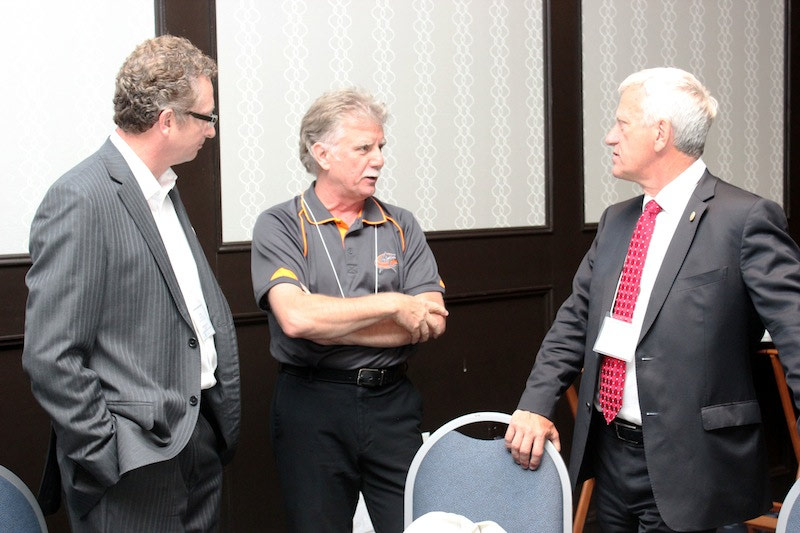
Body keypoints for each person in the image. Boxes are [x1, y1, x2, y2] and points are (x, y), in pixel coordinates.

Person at [505, 67, 800, 532]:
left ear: (661, 133)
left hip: (695, 466)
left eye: (622, 124)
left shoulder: (744, 219)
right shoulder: (616, 221)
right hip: (611, 456)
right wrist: (535, 403)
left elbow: (796, 334)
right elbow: (575, 320)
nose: (610, 136)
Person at [22, 35, 241, 532]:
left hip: (196, 440)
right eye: (207, 117)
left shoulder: (164, 190)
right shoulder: (81, 198)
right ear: (168, 121)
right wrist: (107, 451)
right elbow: (51, 355)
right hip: (134, 463)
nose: (212, 130)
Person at [251, 87, 448, 532]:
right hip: (311, 405)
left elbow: (432, 318)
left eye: (380, 147)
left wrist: (326, 325)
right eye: (364, 148)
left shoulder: (402, 223)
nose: (379, 159)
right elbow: (295, 318)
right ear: (322, 153)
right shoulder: (280, 223)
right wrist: (393, 305)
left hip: (392, 403)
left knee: (415, 526)